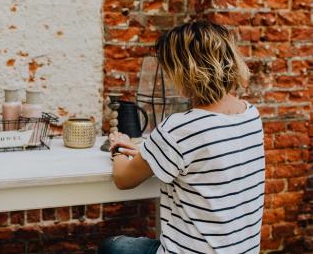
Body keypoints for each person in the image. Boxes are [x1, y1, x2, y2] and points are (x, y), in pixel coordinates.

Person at [98, 21, 264, 254]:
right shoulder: (250, 114)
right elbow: (207, 160)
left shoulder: (182, 127)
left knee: (112, 247)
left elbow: (123, 179)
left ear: (184, 71)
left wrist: (117, 147)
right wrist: (147, 153)